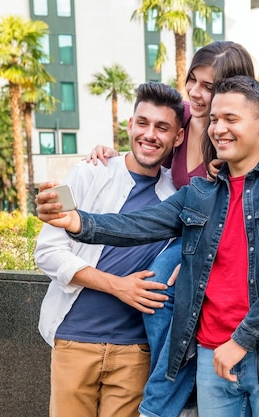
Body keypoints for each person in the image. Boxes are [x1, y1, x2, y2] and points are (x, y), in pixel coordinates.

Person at [35, 76, 259, 417]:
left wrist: (242, 340)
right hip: (209, 358)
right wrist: (78, 222)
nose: (219, 128)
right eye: (214, 120)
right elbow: (136, 224)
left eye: (231, 119)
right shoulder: (198, 194)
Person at [85, 40, 256, 417]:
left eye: (208, 86)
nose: (195, 92)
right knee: (157, 290)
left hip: (214, 236)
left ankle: (160, 403)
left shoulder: (231, 134)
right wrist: (110, 153)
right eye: (192, 79)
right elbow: (147, 135)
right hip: (178, 231)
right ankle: (183, 380)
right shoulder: (181, 113)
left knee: (161, 285)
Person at [34, 82, 185, 417]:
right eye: (143, 123)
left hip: (135, 350)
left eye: (162, 127)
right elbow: (47, 250)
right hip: (74, 340)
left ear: (178, 138)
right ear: (129, 125)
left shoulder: (178, 195)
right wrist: (119, 286)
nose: (150, 135)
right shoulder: (90, 171)